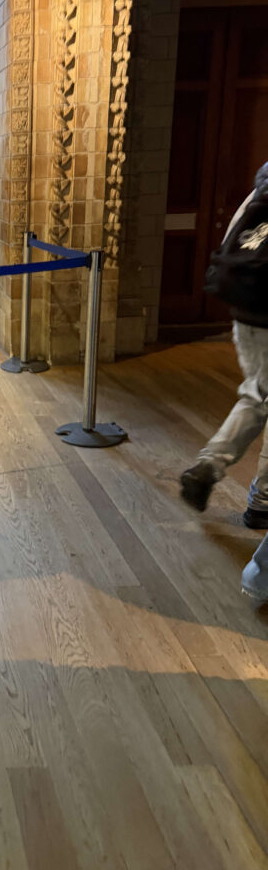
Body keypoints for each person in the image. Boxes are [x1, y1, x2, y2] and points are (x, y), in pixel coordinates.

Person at [179, 161, 268, 602]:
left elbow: (231, 243)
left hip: (247, 317)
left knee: (257, 395)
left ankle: (210, 465)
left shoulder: (260, 190)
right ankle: (262, 500)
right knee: (261, 398)